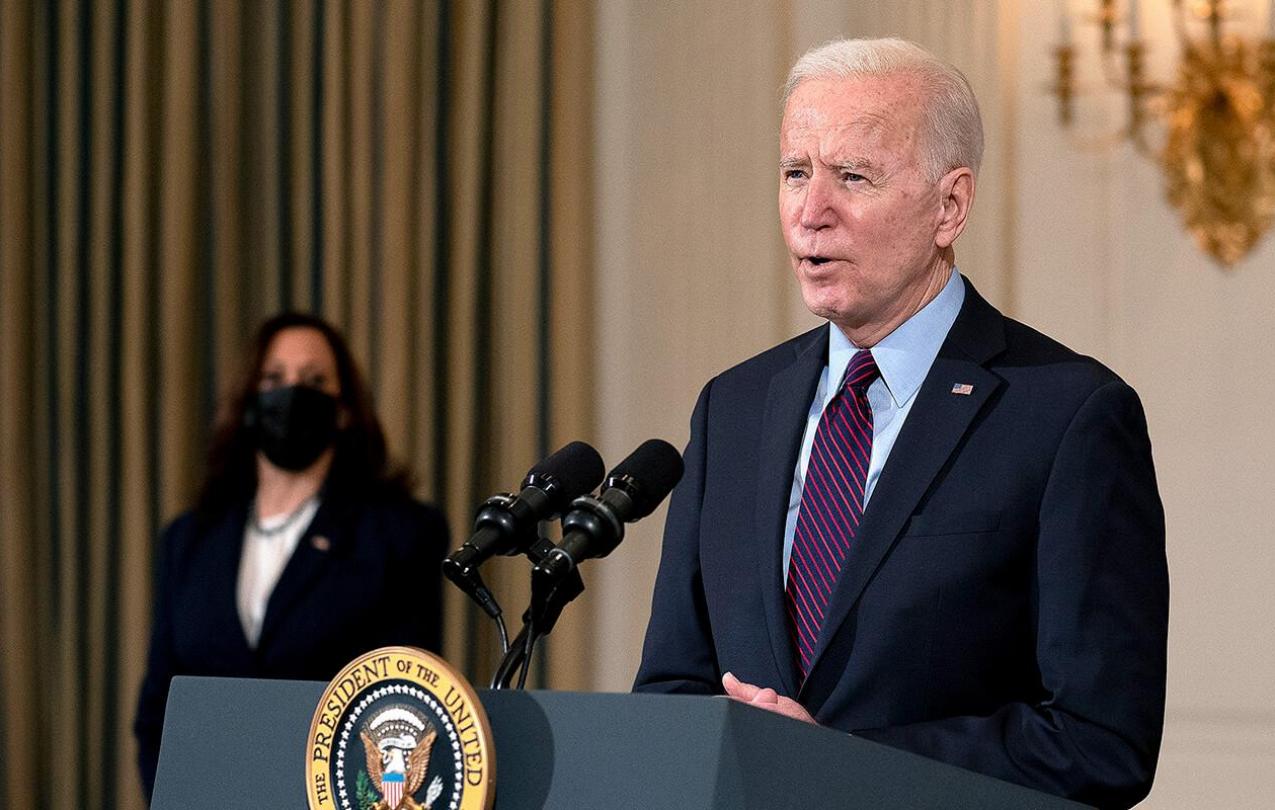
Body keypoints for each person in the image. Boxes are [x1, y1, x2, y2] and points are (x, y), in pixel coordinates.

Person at [634, 38, 1168, 809]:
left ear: (949, 205)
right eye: (794, 174)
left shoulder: (1065, 415)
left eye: (852, 177)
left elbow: (1098, 740)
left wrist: (837, 762)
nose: (810, 214)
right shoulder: (733, 408)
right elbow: (672, 689)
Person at [134, 312, 448, 800]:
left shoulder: (399, 534)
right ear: (249, 404)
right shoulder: (189, 541)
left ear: (344, 409)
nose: (293, 392)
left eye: (315, 380)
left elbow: (404, 702)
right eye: (274, 378)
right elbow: (158, 709)